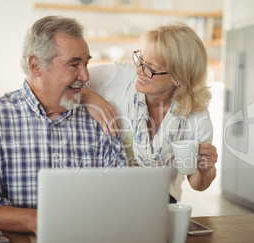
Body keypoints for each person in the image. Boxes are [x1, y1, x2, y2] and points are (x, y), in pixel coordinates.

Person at [0, 16, 127, 234]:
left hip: (89, 242)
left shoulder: (96, 118)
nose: (85, 75)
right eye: (74, 64)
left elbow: (121, 195)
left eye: (86, 63)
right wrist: (36, 221)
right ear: (36, 65)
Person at [82, 22, 218, 203]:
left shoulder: (196, 117)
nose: (139, 71)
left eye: (151, 68)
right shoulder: (118, 77)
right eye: (141, 60)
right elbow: (66, 82)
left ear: (179, 77)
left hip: (160, 201)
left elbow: (198, 185)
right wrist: (87, 96)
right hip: (106, 195)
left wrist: (205, 169)